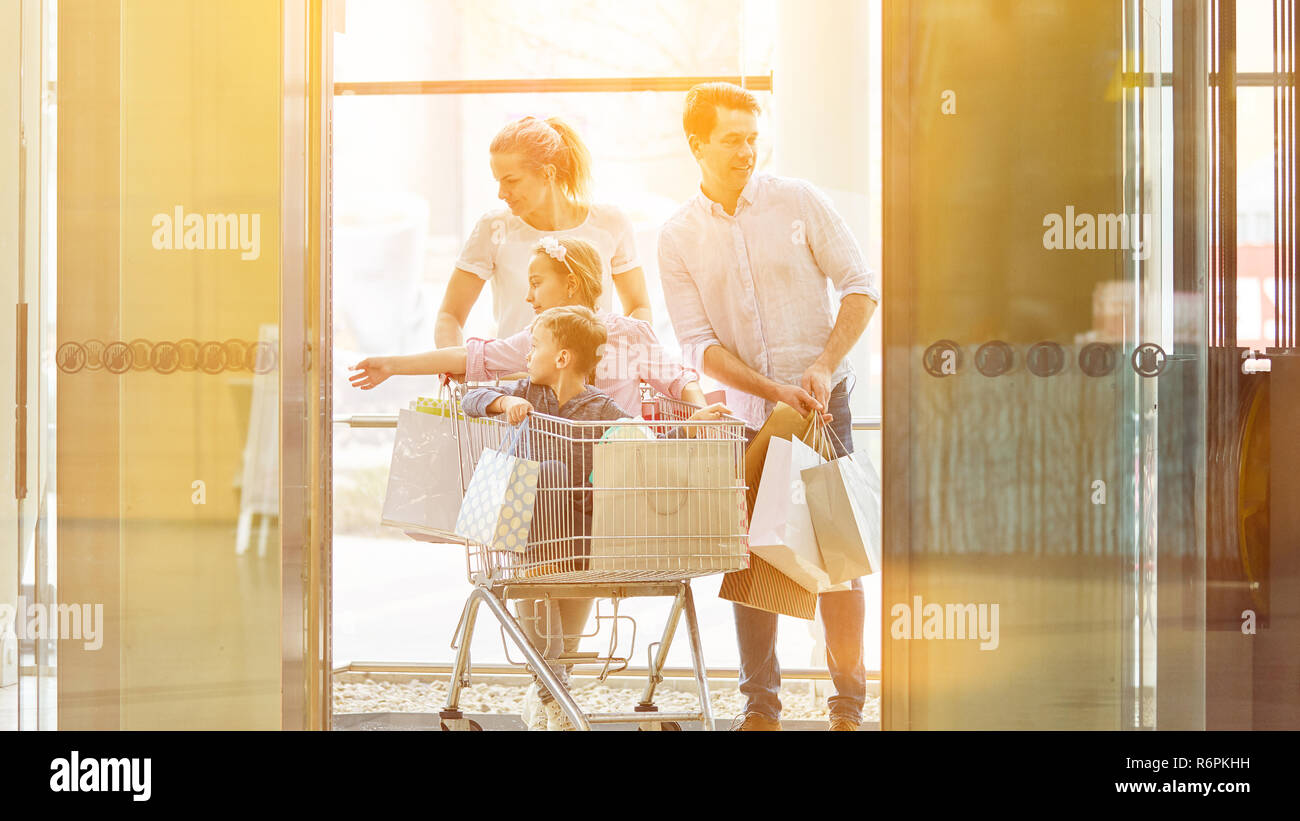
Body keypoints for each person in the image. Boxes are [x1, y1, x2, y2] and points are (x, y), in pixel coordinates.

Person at [658, 82, 881, 731]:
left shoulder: (799, 200)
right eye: (732, 139)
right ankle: (760, 706)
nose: (746, 151)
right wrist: (766, 390)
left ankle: (848, 703)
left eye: (753, 138)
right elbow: (697, 344)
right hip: (746, 421)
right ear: (697, 143)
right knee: (750, 554)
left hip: (819, 408)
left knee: (835, 555)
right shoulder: (677, 236)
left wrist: (821, 364)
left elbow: (861, 287)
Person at [461, 305, 728, 731]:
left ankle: (551, 689)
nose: (528, 355)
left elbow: (640, 442)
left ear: (562, 357)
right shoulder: (528, 392)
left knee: (575, 585)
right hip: (530, 530)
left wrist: (689, 424)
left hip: (583, 529)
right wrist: (503, 400)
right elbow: (469, 398)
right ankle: (553, 690)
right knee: (547, 498)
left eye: (535, 346)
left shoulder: (601, 409)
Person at [348, 235, 708, 412]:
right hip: (562, 481)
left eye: (537, 284)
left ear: (571, 285)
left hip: (625, 473)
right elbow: (470, 357)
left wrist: (704, 411)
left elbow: (678, 378)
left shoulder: (630, 335)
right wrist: (393, 365)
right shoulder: (539, 341)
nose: (528, 297)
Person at [436, 115, 653, 347]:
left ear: (548, 173)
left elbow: (638, 307)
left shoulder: (611, 224)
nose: (501, 193)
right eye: (498, 181)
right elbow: (450, 316)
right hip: (515, 379)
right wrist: (451, 366)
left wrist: (626, 357)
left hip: (595, 381)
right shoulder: (494, 229)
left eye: (511, 180)